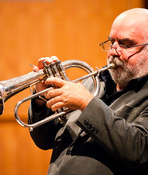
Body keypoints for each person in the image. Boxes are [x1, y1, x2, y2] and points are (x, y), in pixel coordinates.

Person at [28, 8, 148, 175]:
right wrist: (42, 99)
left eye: (125, 44)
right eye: (111, 42)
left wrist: (87, 104)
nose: (113, 51)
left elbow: (139, 150)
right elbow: (45, 140)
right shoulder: (92, 83)